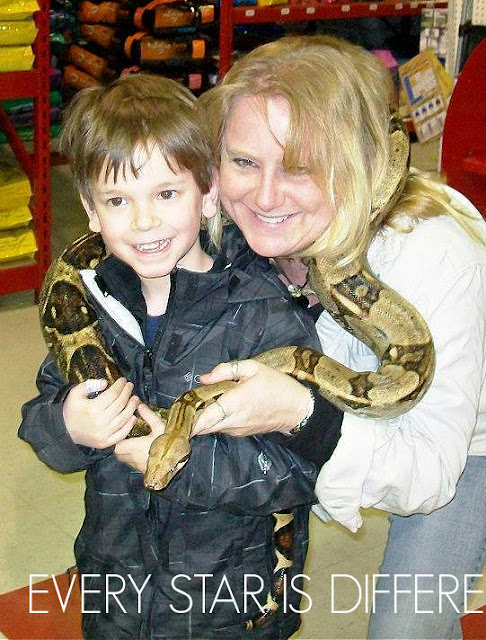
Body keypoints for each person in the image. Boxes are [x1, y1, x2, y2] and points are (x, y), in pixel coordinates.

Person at [172, 35, 486, 639]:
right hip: (336, 392)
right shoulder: (220, 209)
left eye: (300, 166)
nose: (265, 196)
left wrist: (302, 414)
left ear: (357, 162)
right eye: (244, 162)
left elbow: (427, 475)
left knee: (406, 629)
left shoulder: (437, 250)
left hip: (476, 430)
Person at [18, 73, 335, 640]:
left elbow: (297, 476)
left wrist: (181, 468)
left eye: (166, 194)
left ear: (208, 193)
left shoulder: (265, 318)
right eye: (118, 201)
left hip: (229, 608)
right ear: (90, 212)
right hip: (118, 596)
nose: (144, 223)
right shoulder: (92, 307)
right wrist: (68, 427)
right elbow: (41, 418)